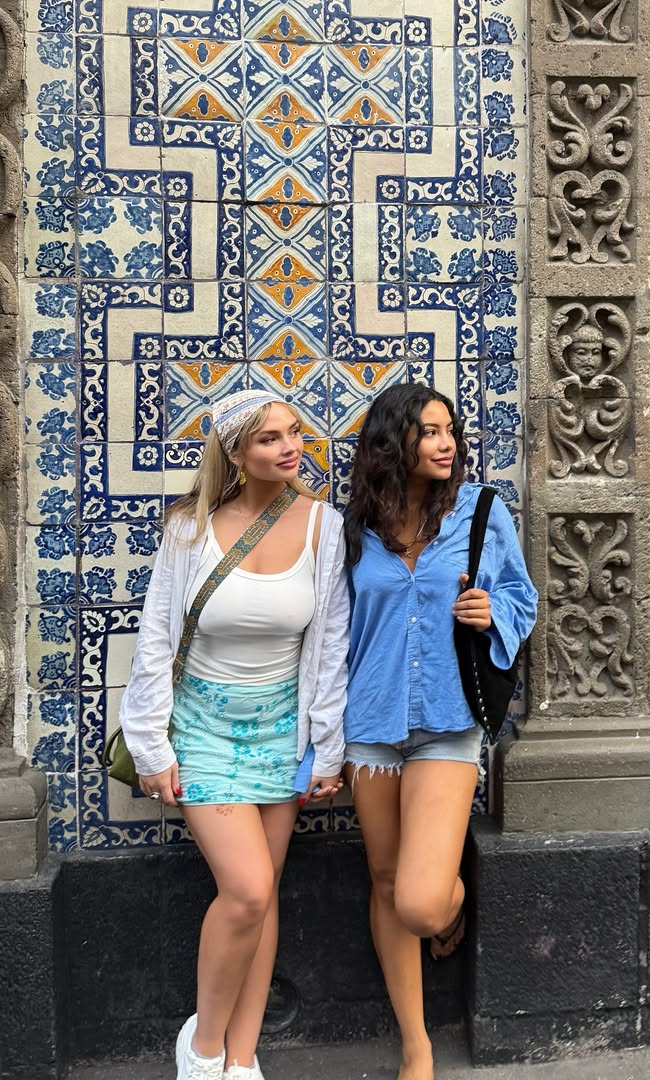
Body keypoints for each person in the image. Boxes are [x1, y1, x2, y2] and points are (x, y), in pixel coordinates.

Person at [117, 389, 350, 1080]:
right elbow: (156, 638)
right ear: (237, 454)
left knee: (263, 893)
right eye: (270, 438)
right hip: (203, 732)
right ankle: (203, 1049)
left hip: (282, 731)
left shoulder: (325, 525)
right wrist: (151, 745)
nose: (290, 447)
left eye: (294, 432)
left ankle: (243, 1059)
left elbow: (330, 644)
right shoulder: (190, 528)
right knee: (246, 888)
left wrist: (327, 746)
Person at [342, 383, 538, 1080]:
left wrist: (493, 613)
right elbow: (333, 629)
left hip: (449, 721)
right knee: (385, 880)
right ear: (392, 441)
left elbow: (522, 597)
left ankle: (450, 911)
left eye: (449, 429)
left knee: (421, 901)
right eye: (429, 431)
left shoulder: (482, 511)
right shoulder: (354, 527)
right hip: (370, 722)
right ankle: (416, 1046)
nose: (446, 442)